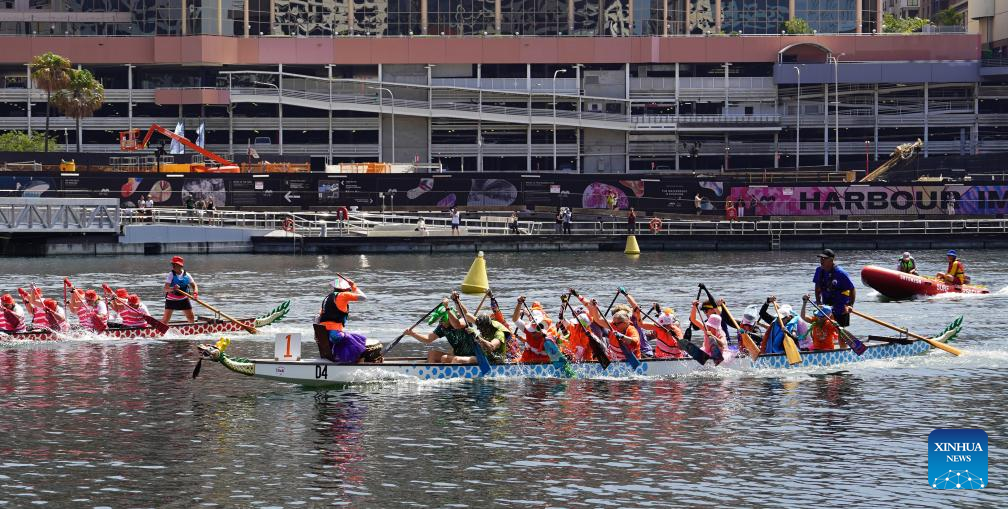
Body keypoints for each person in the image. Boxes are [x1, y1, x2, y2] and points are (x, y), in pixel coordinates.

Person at [403, 299, 481, 364]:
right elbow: (428, 339)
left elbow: (456, 325)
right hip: (457, 355)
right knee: (432, 354)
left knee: (447, 358)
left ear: (449, 318)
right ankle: (432, 375)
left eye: (443, 321)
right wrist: (412, 334)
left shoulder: (464, 320)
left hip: (474, 356)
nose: (441, 323)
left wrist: (446, 307)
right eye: (440, 321)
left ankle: (449, 376)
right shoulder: (442, 327)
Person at [317, 275, 368, 364]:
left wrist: (317, 334)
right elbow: (364, 297)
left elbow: (318, 317)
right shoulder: (344, 295)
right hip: (335, 335)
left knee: (346, 339)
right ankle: (359, 362)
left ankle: (341, 359)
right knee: (360, 340)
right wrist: (353, 286)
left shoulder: (327, 298)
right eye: (349, 289)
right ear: (345, 289)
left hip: (324, 335)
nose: (349, 290)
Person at [813, 249, 856, 327]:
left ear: (831, 260)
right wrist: (818, 301)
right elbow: (817, 288)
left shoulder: (841, 273)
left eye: (824, 258)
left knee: (839, 331)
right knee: (826, 330)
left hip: (841, 309)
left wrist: (850, 305)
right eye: (821, 258)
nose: (821, 260)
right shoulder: (819, 271)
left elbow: (852, 289)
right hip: (826, 309)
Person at [511, 297, 555, 364]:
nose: (533, 333)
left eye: (535, 331)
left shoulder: (550, 330)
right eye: (532, 330)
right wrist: (519, 304)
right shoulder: (527, 329)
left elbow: (557, 344)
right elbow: (515, 319)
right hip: (530, 357)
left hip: (547, 357)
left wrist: (547, 337)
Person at [163, 255, 198, 324]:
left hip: (184, 299)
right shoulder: (171, 275)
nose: (173, 266)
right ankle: (161, 329)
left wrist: (195, 293)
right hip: (171, 300)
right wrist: (173, 288)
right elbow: (166, 289)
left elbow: (194, 286)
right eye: (173, 264)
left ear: (180, 266)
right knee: (166, 319)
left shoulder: (187, 275)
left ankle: (192, 328)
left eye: (175, 265)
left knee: (191, 317)